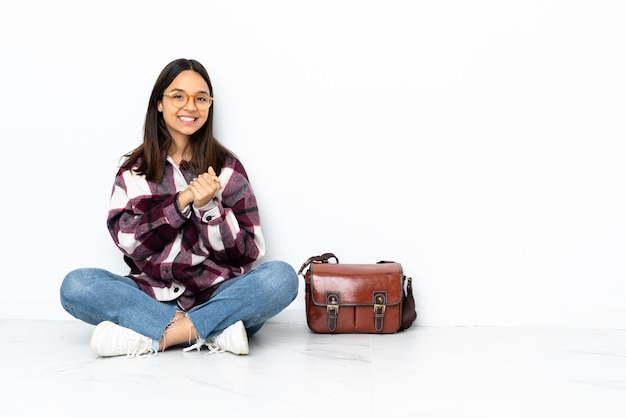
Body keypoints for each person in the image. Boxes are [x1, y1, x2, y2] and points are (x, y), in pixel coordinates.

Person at [60, 58, 299, 358]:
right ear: (159, 103)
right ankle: (213, 331)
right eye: (178, 96)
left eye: (201, 98)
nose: (191, 106)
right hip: (150, 296)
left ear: (209, 106)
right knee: (76, 286)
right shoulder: (133, 173)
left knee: (281, 278)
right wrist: (181, 202)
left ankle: (156, 337)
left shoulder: (228, 169)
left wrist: (210, 209)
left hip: (218, 295)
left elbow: (248, 253)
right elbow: (129, 243)